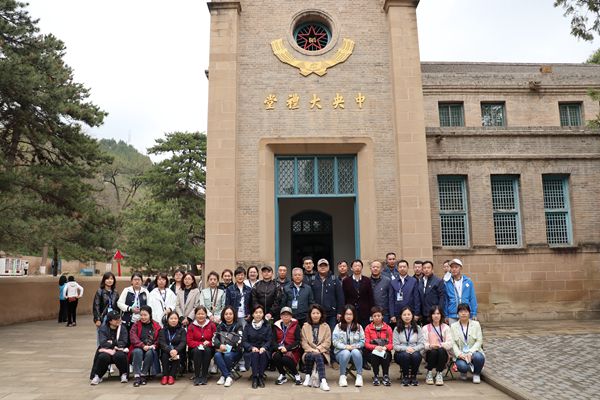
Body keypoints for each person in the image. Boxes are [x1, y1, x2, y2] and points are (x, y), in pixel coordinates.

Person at [312, 258, 344, 370]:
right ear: (317, 267)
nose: (323, 267)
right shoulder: (312, 280)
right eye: (321, 265)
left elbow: (340, 297)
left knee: (331, 337)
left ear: (329, 267)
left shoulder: (335, 280)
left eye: (325, 265)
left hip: (331, 314)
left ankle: (333, 359)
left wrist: (340, 312)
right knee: (316, 337)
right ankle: (318, 359)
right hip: (316, 315)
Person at [90, 310, 129, 385]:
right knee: (103, 357)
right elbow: (103, 343)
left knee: (120, 356)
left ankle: (123, 374)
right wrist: (115, 344)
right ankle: (98, 375)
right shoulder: (103, 329)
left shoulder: (122, 328)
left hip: (119, 349)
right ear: (110, 321)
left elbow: (124, 342)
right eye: (116, 319)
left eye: (119, 318)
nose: (118, 320)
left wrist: (112, 343)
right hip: (106, 350)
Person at [225, 267, 252, 372]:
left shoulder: (248, 289)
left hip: (245, 317)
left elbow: (250, 303)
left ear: (244, 276)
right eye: (238, 275)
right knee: (233, 340)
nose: (240, 277)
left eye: (242, 275)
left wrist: (249, 313)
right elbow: (227, 304)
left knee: (243, 340)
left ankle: (242, 363)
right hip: (233, 318)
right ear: (235, 277)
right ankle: (233, 362)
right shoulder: (230, 289)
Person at [450, 303, 485, 384]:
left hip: (474, 353)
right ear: (457, 314)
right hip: (461, 354)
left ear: (469, 313)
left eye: (466, 311)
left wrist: (470, 353)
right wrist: (459, 354)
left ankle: (476, 374)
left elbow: (479, 341)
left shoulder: (476, 324)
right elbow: (453, 343)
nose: (463, 313)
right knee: (462, 367)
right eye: (461, 311)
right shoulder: (453, 326)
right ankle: (464, 371)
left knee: (479, 357)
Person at [332, 305, 365, 388]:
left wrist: (354, 346)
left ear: (354, 315)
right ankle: (342, 376)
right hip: (341, 353)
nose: (348, 316)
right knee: (346, 353)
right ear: (343, 315)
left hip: (355, 351)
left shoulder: (358, 327)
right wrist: (345, 347)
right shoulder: (338, 326)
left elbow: (362, 341)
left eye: (351, 314)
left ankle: (359, 376)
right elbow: (335, 342)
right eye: (346, 314)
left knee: (356, 352)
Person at [301, 304, 331, 391]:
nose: (315, 315)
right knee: (312, 355)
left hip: (323, 353)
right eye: (313, 313)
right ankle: (317, 379)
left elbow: (327, 342)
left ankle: (320, 380)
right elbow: (304, 343)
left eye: (318, 313)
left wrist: (318, 349)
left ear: (321, 314)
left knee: (318, 355)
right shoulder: (305, 326)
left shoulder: (326, 326)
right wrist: (312, 350)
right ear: (310, 314)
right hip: (308, 352)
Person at [130, 305, 161, 387]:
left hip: (150, 348)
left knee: (150, 353)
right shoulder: (136, 325)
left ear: (150, 315)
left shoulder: (156, 325)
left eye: (145, 315)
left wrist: (153, 346)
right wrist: (142, 345)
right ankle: (137, 375)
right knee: (138, 351)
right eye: (141, 315)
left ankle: (143, 374)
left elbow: (159, 339)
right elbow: (133, 337)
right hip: (138, 348)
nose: (143, 317)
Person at [213, 306, 243, 387]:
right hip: (221, 350)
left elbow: (239, 339)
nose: (228, 316)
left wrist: (228, 346)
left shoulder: (238, 325)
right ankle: (227, 376)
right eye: (226, 314)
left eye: (230, 314)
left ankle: (224, 375)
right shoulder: (220, 326)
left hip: (235, 351)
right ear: (223, 315)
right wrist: (220, 345)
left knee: (227, 355)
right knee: (217, 355)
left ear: (234, 315)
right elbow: (215, 339)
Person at [393, 306, 424, 386]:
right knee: (405, 355)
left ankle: (413, 377)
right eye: (404, 315)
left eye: (409, 314)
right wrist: (406, 348)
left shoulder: (418, 328)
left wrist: (413, 349)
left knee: (416, 356)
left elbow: (422, 344)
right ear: (401, 316)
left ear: (412, 316)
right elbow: (395, 346)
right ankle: (405, 377)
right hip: (401, 353)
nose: (407, 316)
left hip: (414, 351)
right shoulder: (397, 329)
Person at [243, 305, 272, 389]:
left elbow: (269, 340)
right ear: (252, 314)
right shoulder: (248, 326)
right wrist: (251, 347)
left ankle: (261, 377)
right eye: (256, 313)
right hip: (251, 350)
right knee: (255, 353)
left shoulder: (267, 326)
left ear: (263, 314)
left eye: (260, 312)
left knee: (262, 353)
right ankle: (255, 377)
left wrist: (264, 347)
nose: (258, 314)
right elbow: (244, 341)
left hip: (264, 349)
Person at [271, 306, 302, 385]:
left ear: (291, 316)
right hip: (280, 349)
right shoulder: (276, 326)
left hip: (292, 350)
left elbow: (298, 341)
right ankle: (282, 374)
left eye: (288, 314)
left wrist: (287, 348)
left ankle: (296, 374)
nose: (285, 316)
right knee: (276, 356)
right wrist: (278, 347)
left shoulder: (296, 326)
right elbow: (273, 341)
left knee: (285, 358)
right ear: (281, 316)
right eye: (283, 314)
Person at [422, 305, 452, 386]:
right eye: (434, 314)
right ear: (431, 315)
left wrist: (439, 345)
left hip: (443, 354)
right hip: (430, 353)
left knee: (441, 350)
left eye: (438, 313)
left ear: (441, 315)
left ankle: (439, 373)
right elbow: (423, 344)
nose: (436, 316)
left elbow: (449, 344)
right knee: (433, 351)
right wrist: (430, 346)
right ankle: (429, 373)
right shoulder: (425, 328)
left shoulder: (446, 328)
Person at [364, 306, 393, 386]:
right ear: (372, 317)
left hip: (385, 351)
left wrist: (385, 347)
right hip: (372, 352)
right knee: (374, 355)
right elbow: (366, 344)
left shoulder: (388, 328)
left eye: (379, 316)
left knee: (386, 355)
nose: (377, 318)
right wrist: (375, 347)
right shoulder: (368, 328)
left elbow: (391, 344)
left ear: (382, 316)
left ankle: (385, 375)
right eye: (374, 316)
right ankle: (376, 375)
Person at [187, 305, 216, 385]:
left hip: (209, 348)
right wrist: (201, 344)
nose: (200, 316)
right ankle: (197, 376)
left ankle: (204, 375)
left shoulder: (211, 325)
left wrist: (209, 343)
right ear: (195, 315)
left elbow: (215, 339)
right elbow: (189, 341)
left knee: (206, 351)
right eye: (198, 314)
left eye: (202, 314)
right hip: (194, 349)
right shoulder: (191, 326)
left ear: (206, 315)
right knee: (197, 351)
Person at [444, 259, 478, 324]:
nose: (454, 269)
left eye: (456, 267)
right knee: (454, 333)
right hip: (452, 315)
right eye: (452, 267)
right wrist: (446, 315)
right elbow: (446, 300)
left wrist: (474, 313)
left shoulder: (468, 281)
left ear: (461, 268)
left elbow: (472, 298)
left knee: (466, 333)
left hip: (466, 313)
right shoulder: (447, 283)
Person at [342, 259, 374, 327]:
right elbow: (344, 297)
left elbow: (370, 296)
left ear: (362, 268)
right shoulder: (346, 281)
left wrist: (371, 312)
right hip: (350, 311)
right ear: (351, 268)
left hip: (364, 312)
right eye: (355, 266)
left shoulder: (367, 280)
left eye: (359, 266)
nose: (357, 268)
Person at [389, 260, 421, 325]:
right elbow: (391, 299)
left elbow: (417, 298)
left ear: (408, 268)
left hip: (410, 313)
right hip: (397, 314)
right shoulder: (393, 282)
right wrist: (392, 315)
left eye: (404, 267)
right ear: (397, 268)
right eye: (400, 267)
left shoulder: (413, 281)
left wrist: (417, 313)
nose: (402, 268)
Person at [158, 311, 186, 385]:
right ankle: (165, 375)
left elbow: (183, 342)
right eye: (171, 318)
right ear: (168, 320)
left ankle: (171, 376)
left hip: (178, 350)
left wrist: (176, 350)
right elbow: (162, 342)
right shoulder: (163, 330)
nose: (173, 320)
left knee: (176, 355)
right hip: (166, 350)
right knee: (164, 355)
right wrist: (169, 350)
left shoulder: (182, 330)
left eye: (175, 318)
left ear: (178, 320)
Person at [93, 272, 119, 346]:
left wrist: (118, 318)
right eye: (107, 278)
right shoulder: (100, 291)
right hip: (103, 317)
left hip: (113, 318)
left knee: (112, 336)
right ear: (104, 280)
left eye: (111, 279)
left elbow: (117, 306)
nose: (109, 280)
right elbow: (96, 306)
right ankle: (100, 353)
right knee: (101, 338)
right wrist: (97, 319)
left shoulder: (115, 292)